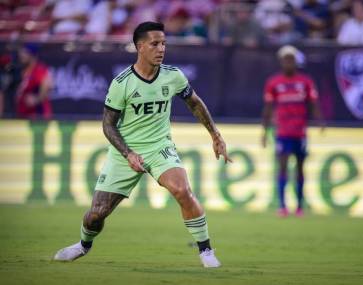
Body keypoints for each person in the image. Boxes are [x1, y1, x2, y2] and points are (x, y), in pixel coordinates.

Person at [53, 22, 231, 268]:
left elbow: (194, 102)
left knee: (182, 190)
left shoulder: (173, 75)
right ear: (140, 47)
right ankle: (83, 245)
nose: (161, 49)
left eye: (164, 43)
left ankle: (206, 251)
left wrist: (216, 135)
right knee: (97, 214)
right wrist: (127, 154)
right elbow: (108, 126)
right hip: (124, 151)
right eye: (155, 44)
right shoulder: (122, 83)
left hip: (159, 147)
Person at [261, 45, 323, 218]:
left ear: (296, 61)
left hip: (300, 132)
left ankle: (299, 206)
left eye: (292, 59)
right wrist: (264, 132)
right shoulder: (274, 82)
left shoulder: (305, 82)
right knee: (282, 167)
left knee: (300, 168)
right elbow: (268, 108)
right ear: (281, 62)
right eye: (286, 59)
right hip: (282, 132)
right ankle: (282, 206)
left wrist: (320, 121)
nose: (289, 63)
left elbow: (313, 103)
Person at [16, 44, 52, 119]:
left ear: (32, 55)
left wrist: (37, 99)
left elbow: (48, 84)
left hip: (37, 116)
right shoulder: (24, 70)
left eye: (24, 53)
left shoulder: (39, 69)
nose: (21, 55)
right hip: (23, 114)